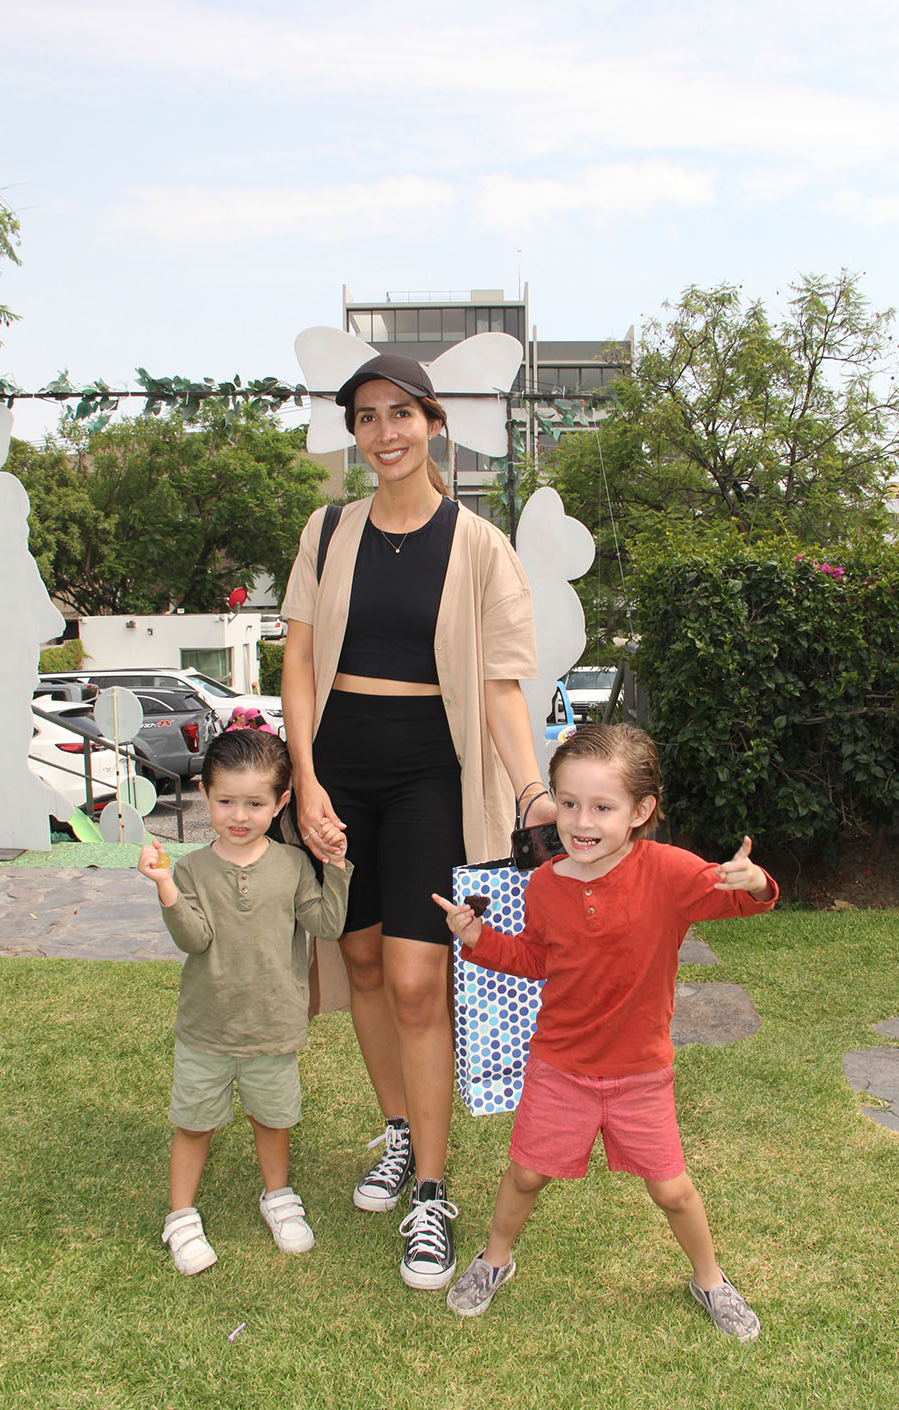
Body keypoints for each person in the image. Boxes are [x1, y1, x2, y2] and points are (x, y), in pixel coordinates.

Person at [280, 351, 556, 1290]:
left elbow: (501, 688)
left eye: (402, 413)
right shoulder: (325, 533)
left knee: (413, 978)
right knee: (357, 960)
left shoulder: (478, 543)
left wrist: (531, 793)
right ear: (352, 433)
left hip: (429, 776)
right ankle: (396, 1131)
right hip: (339, 766)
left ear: (434, 422)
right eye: (366, 417)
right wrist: (306, 786)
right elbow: (300, 665)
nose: (385, 432)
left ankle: (431, 1194)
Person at [433, 723, 777, 1339]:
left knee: (672, 1190)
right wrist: (477, 940)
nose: (580, 821)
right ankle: (494, 1259)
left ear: (640, 810)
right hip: (559, 1066)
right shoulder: (543, 884)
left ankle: (710, 1280)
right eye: (568, 804)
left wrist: (754, 884)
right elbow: (537, 960)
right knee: (525, 1174)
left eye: (601, 807)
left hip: (640, 1073)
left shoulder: (669, 871)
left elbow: (736, 899)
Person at [138, 728, 351, 1275]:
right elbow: (194, 939)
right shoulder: (191, 869)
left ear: (281, 802)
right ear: (204, 796)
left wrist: (337, 867)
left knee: (272, 1118)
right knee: (193, 1123)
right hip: (207, 1028)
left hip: (273, 1027)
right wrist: (165, 885)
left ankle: (277, 1198)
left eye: (255, 803)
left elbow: (325, 923)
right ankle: (181, 1215)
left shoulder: (292, 864)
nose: (239, 815)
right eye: (225, 800)